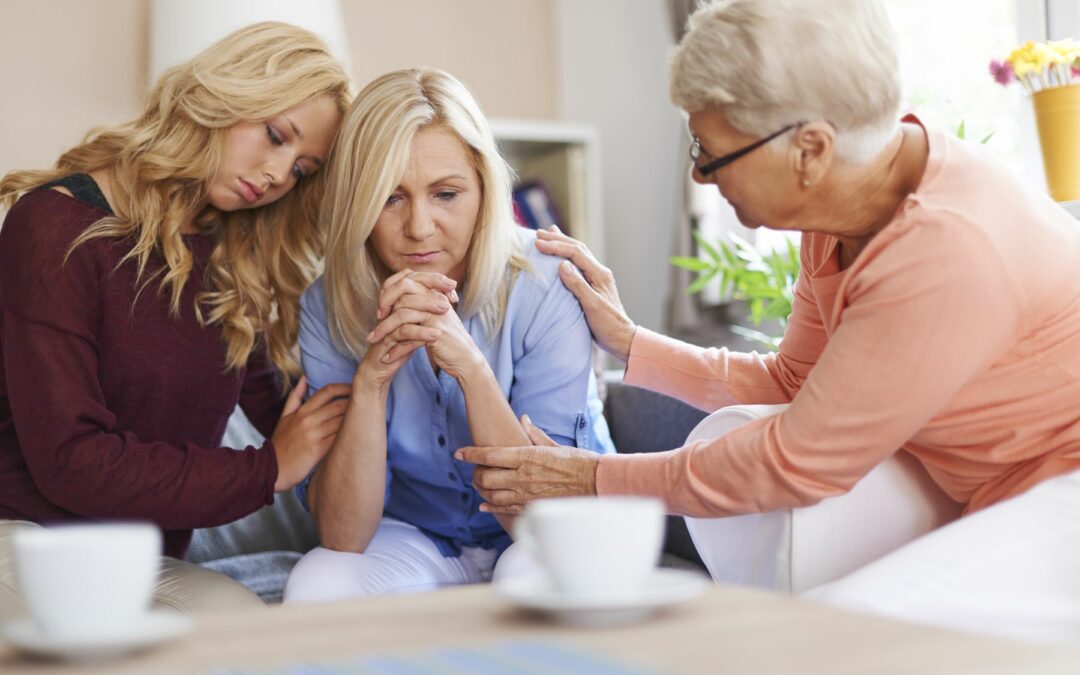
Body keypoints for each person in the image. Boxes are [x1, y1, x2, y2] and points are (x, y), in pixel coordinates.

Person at [457, 0, 1080, 639]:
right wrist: (630, 342)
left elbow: (796, 461)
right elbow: (794, 384)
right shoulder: (844, 210)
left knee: (844, 628)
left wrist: (590, 479)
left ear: (810, 150)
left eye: (714, 153)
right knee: (736, 461)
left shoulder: (945, 249)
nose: (699, 172)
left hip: (1066, 492)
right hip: (993, 484)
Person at [0, 22, 354, 617]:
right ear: (225, 96)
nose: (275, 174)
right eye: (275, 135)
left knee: (243, 631)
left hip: (140, 560)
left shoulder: (230, 260)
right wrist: (267, 470)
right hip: (25, 542)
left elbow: (291, 411)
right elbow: (72, 463)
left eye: (301, 169)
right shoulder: (52, 227)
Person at [282, 68, 614, 602]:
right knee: (319, 582)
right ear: (358, 202)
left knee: (538, 577)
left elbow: (545, 524)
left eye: (445, 193)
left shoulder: (549, 283)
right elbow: (343, 535)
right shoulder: (328, 302)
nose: (418, 227)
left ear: (484, 189)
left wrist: (471, 368)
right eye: (390, 198)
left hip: (548, 530)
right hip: (419, 535)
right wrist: (371, 381)